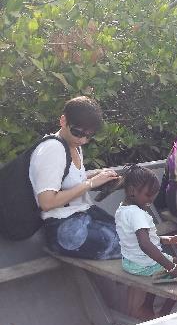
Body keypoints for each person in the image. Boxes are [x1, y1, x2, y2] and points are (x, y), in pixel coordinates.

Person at [30, 96, 121, 259]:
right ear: (63, 121)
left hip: (82, 216)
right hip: (62, 228)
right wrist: (90, 183)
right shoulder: (53, 149)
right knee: (131, 244)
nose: (82, 139)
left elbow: (65, 180)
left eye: (88, 135)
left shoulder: (73, 145)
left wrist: (97, 175)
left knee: (134, 236)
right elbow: (47, 202)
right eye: (78, 132)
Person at [115, 165, 177, 319]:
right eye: (148, 195)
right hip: (143, 265)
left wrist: (166, 239)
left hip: (130, 262)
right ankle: (161, 311)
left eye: (153, 195)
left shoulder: (122, 209)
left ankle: (148, 305)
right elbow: (145, 244)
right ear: (131, 191)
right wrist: (170, 267)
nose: (151, 199)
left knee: (166, 268)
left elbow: (137, 238)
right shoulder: (137, 214)